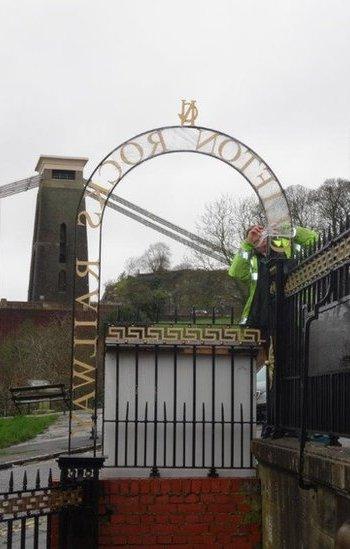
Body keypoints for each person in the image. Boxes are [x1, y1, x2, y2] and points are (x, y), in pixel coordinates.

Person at [228, 224, 318, 330]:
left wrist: (287, 231)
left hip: (296, 311)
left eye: (263, 235)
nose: (262, 240)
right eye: (256, 241)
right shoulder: (253, 260)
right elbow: (236, 272)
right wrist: (247, 244)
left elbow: (315, 240)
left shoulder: (287, 248)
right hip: (263, 317)